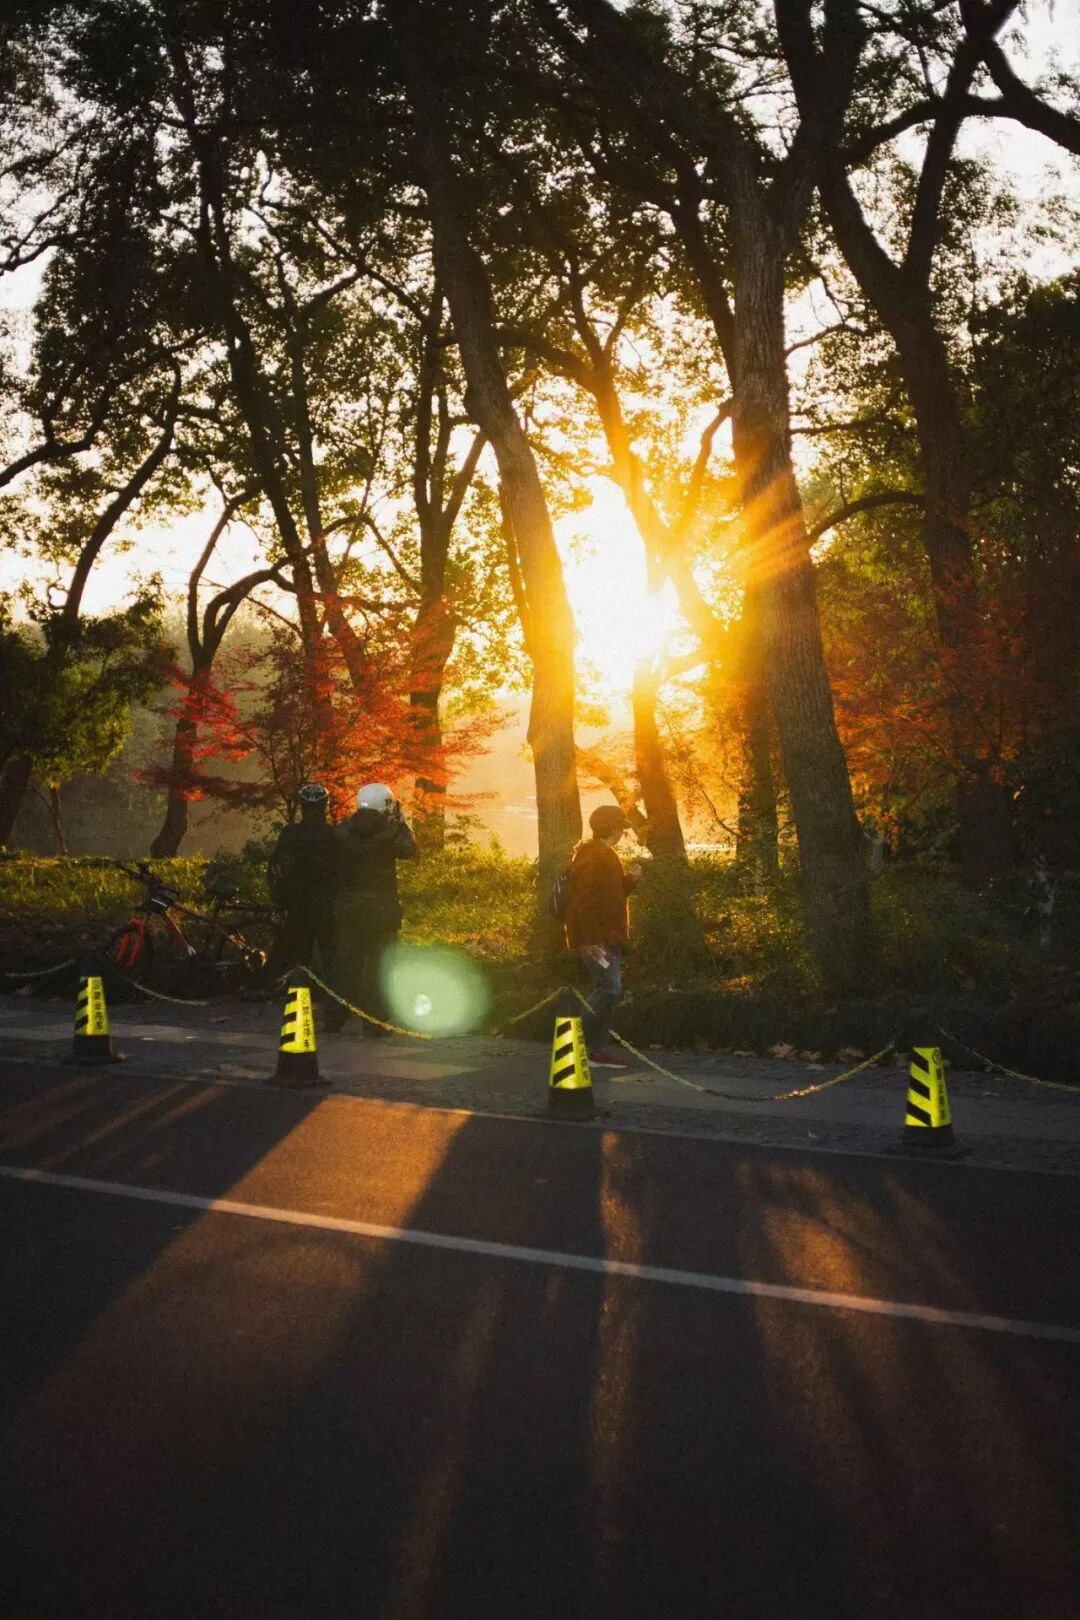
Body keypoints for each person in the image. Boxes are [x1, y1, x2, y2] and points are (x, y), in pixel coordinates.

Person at [326, 782, 417, 1033]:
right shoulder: (391, 833)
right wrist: (400, 823)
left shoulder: (343, 830)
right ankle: (375, 1021)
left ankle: (334, 1016)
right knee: (380, 966)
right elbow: (410, 850)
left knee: (345, 964)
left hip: (349, 906)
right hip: (382, 908)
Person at [563, 803, 642, 1069]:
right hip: (597, 940)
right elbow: (584, 902)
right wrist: (592, 942)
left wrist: (629, 881)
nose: (622, 833)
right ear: (612, 828)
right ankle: (576, 1046)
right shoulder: (598, 856)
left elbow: (610, 897)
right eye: (621, 828)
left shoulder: (598, 854)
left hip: (605, 938)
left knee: (608, 990)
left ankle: (595, 1052)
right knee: (609, 988)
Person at [266, 782, 340, 974]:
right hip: (325, 904)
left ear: (302, 807)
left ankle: (298, 993)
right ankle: (331, 991)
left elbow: (275, 866)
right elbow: (343, 870)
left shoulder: (290, 833)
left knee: (298, 959)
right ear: (325, 807)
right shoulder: (332, 834)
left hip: (295, 903)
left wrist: (277, 896)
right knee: (330, 956)